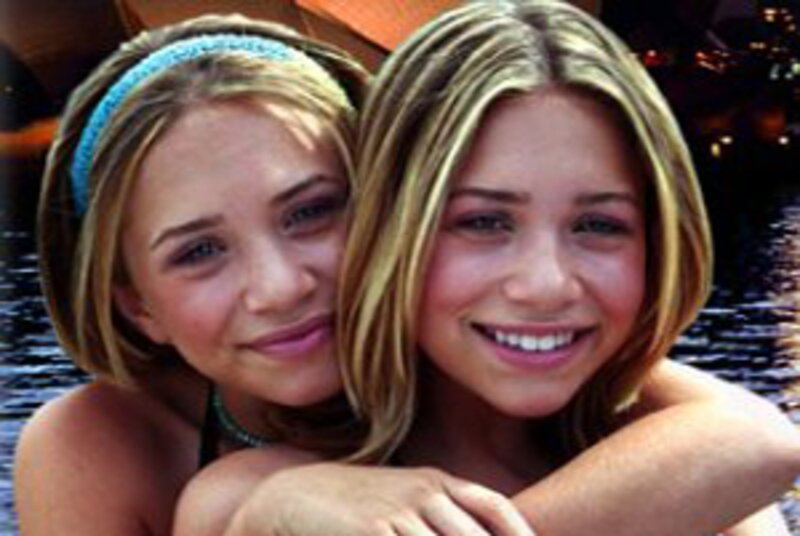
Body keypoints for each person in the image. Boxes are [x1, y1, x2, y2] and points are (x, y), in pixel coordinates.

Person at [173, 1, 800, 535]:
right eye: (483, 221)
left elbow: (759, 440)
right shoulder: (254, 503)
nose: (545, 285)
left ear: (658, 246)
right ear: (391, 228)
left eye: (599, 225)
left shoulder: (715, 483)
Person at [14, 14, 377, 535]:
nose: (278, 289)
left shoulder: (486, 386)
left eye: (310, 211)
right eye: (200, 251)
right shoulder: (99, 447)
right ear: (137, 305)